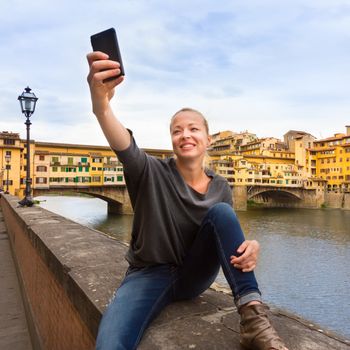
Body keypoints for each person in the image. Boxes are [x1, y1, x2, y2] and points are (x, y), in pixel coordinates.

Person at [87, 51, 288, 350]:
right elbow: (122, 143)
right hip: (148, 273)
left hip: (194, 276)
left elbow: (226, 235)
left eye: (194, 128)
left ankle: (254, 320)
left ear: (208, 140)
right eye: (177, 130)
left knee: (221, 212)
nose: (185, 134)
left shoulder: (221, 186)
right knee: (109, 343)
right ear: (172, 140)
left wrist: (252, 246)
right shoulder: (149, 170)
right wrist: (101, 105)